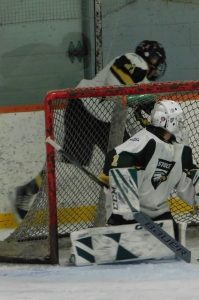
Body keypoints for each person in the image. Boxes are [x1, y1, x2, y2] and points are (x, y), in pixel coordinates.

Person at [13, 40, 167, 220]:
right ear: (149, 57)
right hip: (84, 109)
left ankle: (127, 211)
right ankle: (27, 190)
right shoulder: (131, 60)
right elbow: (118, 90)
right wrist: (140, 99)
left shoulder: (144, 83)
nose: (158, 67)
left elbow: (128, 108)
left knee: (128, 159)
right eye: (157, 60)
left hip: (108, 121)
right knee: (72, 162)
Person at [98, 100, 199, 232]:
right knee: (128, 231)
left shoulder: (181, 150)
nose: (181, 123)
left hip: (158, 213)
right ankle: (118, 227)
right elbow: (115, 157)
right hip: (129, 215)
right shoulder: (144, 142)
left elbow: (187, 186)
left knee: (175, 237)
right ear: (167, 121)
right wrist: (124, 199)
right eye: (178, 119)